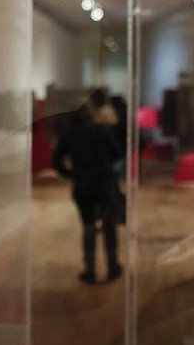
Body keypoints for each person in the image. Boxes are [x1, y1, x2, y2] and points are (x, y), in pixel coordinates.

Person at [53, 102, 123, 284]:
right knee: (109, 224)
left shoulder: (70, 134)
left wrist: (72, 174)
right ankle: (112, 265)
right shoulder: (102, 131)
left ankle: (90, 269)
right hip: (105, 182)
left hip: (83, 184)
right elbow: (117, 153)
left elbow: (57, 162)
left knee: (88, 225)